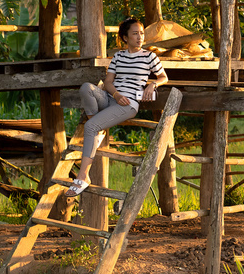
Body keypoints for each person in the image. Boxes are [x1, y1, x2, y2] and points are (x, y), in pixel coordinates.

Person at [65, 17, 168, 197]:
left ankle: (83, 176)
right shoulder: (119, 56)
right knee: (86, 88)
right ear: (125, 37)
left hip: (128, 105)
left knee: (90, 127)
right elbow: (108, 82)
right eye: (135, 34)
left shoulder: (149, 56)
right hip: (111, 98)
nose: (140, 37)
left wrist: (153, 84)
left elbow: (163, 77)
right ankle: (98, 129)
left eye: (141, 33)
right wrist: (116, 95)